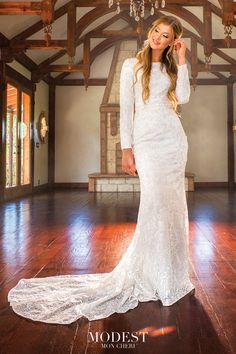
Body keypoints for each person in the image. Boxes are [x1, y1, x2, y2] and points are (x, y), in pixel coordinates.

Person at [7, 15, 195, 325]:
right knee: (155, 205)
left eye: (166, 36)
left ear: (173, 40)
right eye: (157, 33)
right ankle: (151, 273)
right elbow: (125, 109)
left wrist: (183, 59)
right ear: (151, 32)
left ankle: (172, 276)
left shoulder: (173, 67)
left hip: (174, 142)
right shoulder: (130, 66)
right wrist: (126, 149)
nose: (159, 39)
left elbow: (184, 97)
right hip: (147, 143)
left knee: (174, 208)